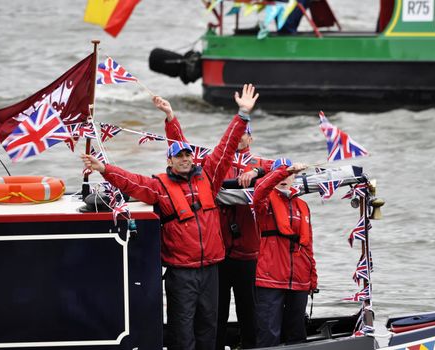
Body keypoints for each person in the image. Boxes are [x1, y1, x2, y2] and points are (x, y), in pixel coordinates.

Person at [81, 84, 259, 350]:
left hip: (211, 270)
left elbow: (225, 147)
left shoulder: (208, 178)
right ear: (170, 160)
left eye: (188, 154)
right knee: (182, 332)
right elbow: (132, 182)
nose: (185, 159)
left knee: (209, 329)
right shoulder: (160, 186)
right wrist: (104, 169)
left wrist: (242, 114)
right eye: (180, 156)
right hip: (181, 274)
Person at [153, 93, 273, 349]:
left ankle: (251, 345)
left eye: (245, 134)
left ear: (251, 137)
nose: (241, 138)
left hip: (247, 251)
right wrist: (171, 117)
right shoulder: (212, 167)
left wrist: (257, 172)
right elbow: (180, 151)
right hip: (218, 253)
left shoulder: (260, 163)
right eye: (238, 134)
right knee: (214, 312)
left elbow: (282, 168)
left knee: (247, 308)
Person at [252, 158, 318, 347]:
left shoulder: (303, 206)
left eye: (290, 174)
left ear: (295, 177)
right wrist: (283, 170)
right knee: (268, 332)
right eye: (281, 173)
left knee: (297, 332)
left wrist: (312, 278)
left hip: (299, 278)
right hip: (270, 277)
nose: (285, 177)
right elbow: (260, 189)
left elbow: (309, 244)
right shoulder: (264, 199)